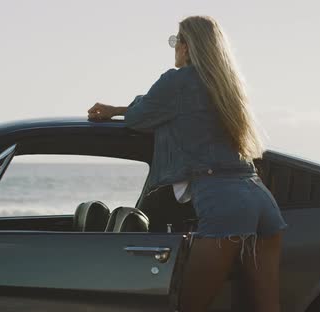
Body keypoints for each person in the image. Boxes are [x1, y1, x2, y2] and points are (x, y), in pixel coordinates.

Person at [87, 15, 288, 312]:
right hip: (261, 200)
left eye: (175, 41)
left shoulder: (177, 81)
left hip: (224, 205)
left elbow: (141, 116)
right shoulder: (228, 87)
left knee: (189, 307)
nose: (174, 48)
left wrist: (115, 110)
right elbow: (170, 110)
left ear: (186, 46)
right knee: (265, 308)